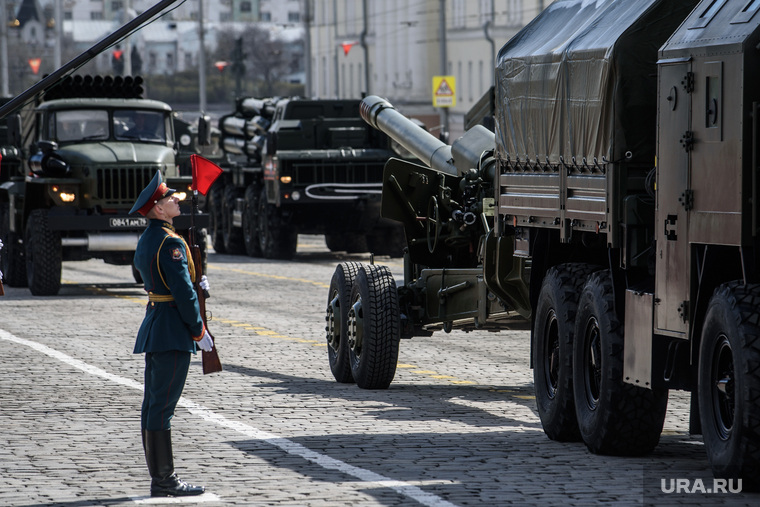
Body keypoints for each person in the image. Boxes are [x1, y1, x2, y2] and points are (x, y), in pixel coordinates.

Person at [129, 170, 213, 497]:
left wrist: (195, 283)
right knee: (162, 406)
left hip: (156, 322)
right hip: (172, 329)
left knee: (153, 404)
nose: (176, 200)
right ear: (158, 210)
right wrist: (198, 330)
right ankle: (164, 480)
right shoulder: (171, 242)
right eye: (169, 198)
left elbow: (159, 279)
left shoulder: (150, 238)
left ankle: (161, 478)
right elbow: (182, 293)